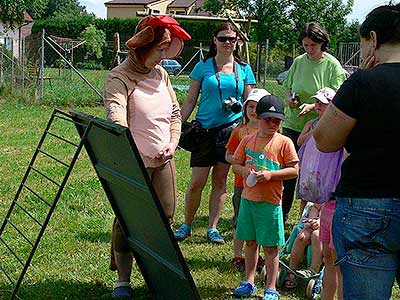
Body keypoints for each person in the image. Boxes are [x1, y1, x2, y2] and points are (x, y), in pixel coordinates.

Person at [314, 3, 400, 300]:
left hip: (366, 206)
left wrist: (355, 86)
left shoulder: (362, 82)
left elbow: (324, 140)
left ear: (373, 39)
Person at [103, 15, 190, 299]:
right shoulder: (119, 77)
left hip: (164, 159)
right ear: (141, 48)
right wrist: (131, 156)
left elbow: (175, 114)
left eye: (167, 50)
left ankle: (157, 273)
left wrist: (172, 143)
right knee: (127, 219)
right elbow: (117, 120)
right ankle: (123, 280)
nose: (164, 57)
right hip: (134, 163)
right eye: (160, 50)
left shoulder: (161, 75)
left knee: (164, 218)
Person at [174, 22, 256, 244]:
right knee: (197, 181)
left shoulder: (244, 69)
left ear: (238, 41)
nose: (228, 42)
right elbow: (190, 100)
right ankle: (186, 224)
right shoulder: (203, 66)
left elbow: (250, 102)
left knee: (220, 181)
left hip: (229, 132)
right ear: (214, 40)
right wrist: (176, 127)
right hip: (203, 131)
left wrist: (251, 130)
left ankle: (212, 227)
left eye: (232, 39)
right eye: (223, 38)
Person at [231, 95, 299, 300]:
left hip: (270, 203)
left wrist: (271, 175)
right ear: (258, 118)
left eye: (276, 120)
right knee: (250, 243)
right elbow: (235, 164)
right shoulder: (247, 140)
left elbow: (294, 170)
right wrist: (244, 171)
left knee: (270, 247)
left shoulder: (284, 142)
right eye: (267, 119)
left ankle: (271, 287)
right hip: (248, 200)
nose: (272, 124)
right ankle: (249, 281)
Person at [281, 22, 346, 222]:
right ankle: (281, 216)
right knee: (289, 172)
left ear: (322, 43)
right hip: (293, 124)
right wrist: (290, 99)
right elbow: (288, 87)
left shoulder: (332, 65)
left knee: (314, 173)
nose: (309, 49)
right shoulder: (299, 61)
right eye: (306, 45)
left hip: (320, 128)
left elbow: (338, 97)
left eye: (313, 46)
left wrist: (312, 107)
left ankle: (314, 217)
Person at [298, 87, 343, 299]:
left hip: (338, 201)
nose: (318, 106)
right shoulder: (314, 125)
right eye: (317, 103)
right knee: (328, 255)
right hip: (323, 199)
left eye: (324, 103)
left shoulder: (341, 130)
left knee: (338, 259)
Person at [225, 88, 270, 271]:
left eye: (258, 107)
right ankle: (237, 256)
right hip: (241, 185)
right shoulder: (239, 131)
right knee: (241, 221)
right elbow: (228, 154)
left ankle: (256, 257)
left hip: (264, 186)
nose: (253, 111)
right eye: (250, 106)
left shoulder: (271, 133)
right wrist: (239, 163)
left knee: (258, 222)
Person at [283, 202, 322, 289]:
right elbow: (315, 207)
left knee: (316, 236)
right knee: (302, 237)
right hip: (315, 223)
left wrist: (321, 222)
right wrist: (312, 220)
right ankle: (292, 269)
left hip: (328, 227)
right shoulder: (323, 192)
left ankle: (313, 270)